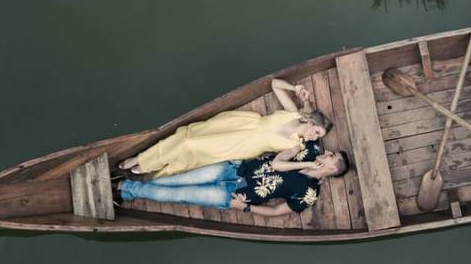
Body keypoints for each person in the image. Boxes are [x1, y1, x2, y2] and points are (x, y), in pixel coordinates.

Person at [117, 79, 332, 178]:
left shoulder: (295, 145)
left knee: (190, 145)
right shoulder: (293, 112)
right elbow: (276, 84)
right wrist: (294, 87)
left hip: (240, 145)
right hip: (238, 124)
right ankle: (143, 160)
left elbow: (277, 164)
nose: (314, 137)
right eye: (317, 131)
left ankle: (144, 162)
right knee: (185, 135)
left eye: (318, 136)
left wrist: (309, 163)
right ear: (313, 122)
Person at [116, 142, 349, 218]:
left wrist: (245, 208)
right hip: (234, 169)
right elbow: (279, 160)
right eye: (331, 152)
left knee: (177, 194)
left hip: (233, 196)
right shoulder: (310, 150)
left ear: (332, 169)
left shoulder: (309, 193)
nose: (327, 153)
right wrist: (306, 163)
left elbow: (278, 211)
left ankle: (126, 187)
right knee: (177, 180)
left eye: (332, 157)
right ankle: (129, 190)